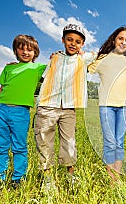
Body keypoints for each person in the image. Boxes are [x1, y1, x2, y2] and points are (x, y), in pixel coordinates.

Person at [35, 24, 96, 192]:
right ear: (63, 40)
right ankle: (47, 178)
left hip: (69, 107)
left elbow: (102, 55)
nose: (73, 44)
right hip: (47, 104)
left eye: (77, 41)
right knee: (44, 141)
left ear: (82, 44)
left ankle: (70, 174)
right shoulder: (54, 58)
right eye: (69, 39)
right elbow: (37, 71)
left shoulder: (84, 59)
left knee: (69, 142)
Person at [88, 27, 126, 184]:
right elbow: (86, 67)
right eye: (121, 38)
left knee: (119, 142)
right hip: (106, 106)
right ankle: (110, 175)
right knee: (110, 142)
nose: (123, 42)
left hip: (124, 107)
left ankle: (116, 177)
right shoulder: (103, 59)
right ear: (114, 40)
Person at [0, 34, 45, 189]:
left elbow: (55, 68)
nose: (25, 52)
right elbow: (1, 90)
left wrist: (55, 56)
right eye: (21, 49)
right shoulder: (9, 67)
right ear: (15, 50)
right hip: (1, 110)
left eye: (30, 49)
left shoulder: (38, 68)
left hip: (20, 112)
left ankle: (18, 179)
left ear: (35, 53)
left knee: (19, 146)